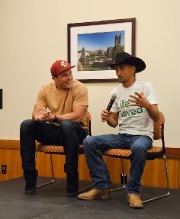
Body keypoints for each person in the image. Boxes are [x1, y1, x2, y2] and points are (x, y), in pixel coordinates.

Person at [78, 52, 160, 209]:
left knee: (138, 146)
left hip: (142, 136)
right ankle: (102, 186)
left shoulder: (146, 87)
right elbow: (114, 123)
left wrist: (147, 105)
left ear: (132, 69)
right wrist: (107, 117)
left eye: (122, 68)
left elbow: (156, 117)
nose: (118, 73)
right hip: (123, 136)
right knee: (89, 141)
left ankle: (133, 192)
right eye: (116, 69)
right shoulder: (116, 91)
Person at [20, 60, 88, 196]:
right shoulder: (45, 89)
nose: (69, 77)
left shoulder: (80, 88)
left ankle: (71, 176)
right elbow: (36, 111)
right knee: (27, 124)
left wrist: (54, 117)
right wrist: (40, 115)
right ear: (54, 78)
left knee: (67, 125)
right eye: (64, 75)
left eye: (70, 73)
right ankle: (29, 174)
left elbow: (78, 116)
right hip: (56, 131)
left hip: (76, 132)